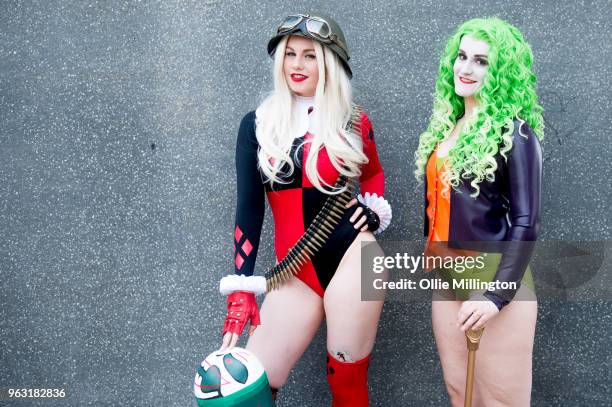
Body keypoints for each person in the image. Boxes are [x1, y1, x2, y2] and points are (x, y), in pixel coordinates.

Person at [218, 13, 392, 406]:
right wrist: (240, 288)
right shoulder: (258, 124)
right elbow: (249, 209)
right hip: (294, 272)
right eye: (290, 54)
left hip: (355, 261)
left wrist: (374, 211)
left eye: (310, 55)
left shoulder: (353, 119)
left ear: (328, 62)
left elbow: (374, 175)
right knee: (248, 390)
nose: (297, 65)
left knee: (346, 384)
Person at [415, 17, 544, 406]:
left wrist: (495, 296)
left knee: (501, 402)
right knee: (460, 394)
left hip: (494, 279)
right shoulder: (448, 129)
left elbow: (527, 221)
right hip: (446, 277)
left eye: (482, 61)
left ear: (501, 72)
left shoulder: (515, 132)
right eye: (462, 56)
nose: (466, 68)